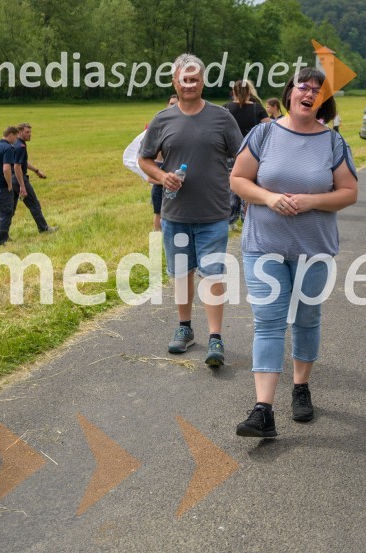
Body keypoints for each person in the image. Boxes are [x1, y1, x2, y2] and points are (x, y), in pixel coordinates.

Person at [231, 67, 358, 438]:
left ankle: (300, 387)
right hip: (263, 247)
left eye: (318, 91)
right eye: (304, 87)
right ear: (289, 93)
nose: (310, 93)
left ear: (324, 101)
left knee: (306, 318)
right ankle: (263, 410)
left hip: (313, 249)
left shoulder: (333, 143)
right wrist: (269, 197)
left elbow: (349, 192)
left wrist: (311, 202)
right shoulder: (264, 132)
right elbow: (238, 180)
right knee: (268, 321)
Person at [138, 53, 243, 367]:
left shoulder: (222, 117)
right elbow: (144, 160)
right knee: (181, 274)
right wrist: (161, 176)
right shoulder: (162, 119)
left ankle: (215, 338)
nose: (189, 84)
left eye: (194, 79)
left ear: (203, 80)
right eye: (183, 79)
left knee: (212, 275)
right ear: (175, 81)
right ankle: (185, 329)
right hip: (175, 215)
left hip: (213, 213)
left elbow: (243, 157)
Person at [123, 95, 179, 231]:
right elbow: (133, 155)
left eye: (175, 104)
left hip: (176, 176)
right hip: (161, 180)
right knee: (159, 213)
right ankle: (156, 241)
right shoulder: (157, 125)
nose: (172, 106)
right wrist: (162, 178)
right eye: (170, 103)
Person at [225, 80, 272, 229]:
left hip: (230, 152)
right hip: (252, 152)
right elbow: (269, 126)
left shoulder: (226, 108)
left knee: (231, 186)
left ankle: (230, 219)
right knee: (249, 185)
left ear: (234, 92)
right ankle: (248, 217)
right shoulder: (257, 108)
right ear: (250, 91)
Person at [9, 123, 58, 234]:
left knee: (9, 209)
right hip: (19, 179)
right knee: (34, 204)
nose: (30, 134)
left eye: (30, 132)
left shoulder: (15, 144)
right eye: (27, 132)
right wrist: (22, 186)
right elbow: (17, 167)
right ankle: (44, 229)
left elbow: (22, 162)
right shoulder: (20, 146)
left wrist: (36, 170)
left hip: (11, 179)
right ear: (20, 132)